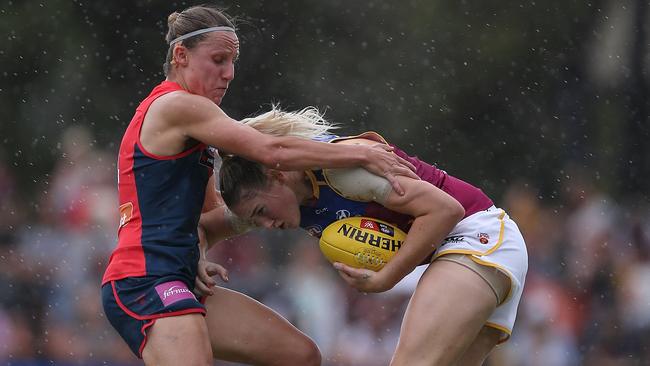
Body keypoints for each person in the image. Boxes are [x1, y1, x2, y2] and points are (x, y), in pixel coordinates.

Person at [100, 5, 417, 366]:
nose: (229, 73)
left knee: (300, 355)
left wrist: (201, 252)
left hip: (179, 278)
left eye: (233, 62)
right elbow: (271, 151)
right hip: (145, 278)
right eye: (218, 59)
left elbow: (207, 219)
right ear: (180, 55)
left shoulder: (195, 128)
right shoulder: (176, 105)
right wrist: (356, 156)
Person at [214, 106, 529, 366]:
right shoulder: (284, 199)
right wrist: (196, 261)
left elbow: (446, 210)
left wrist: (386, 278)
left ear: (277, 175)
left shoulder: (342, 170)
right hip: (488, 252)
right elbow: (207, 226)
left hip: (476, 237)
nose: (265, 225)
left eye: (260, 212)